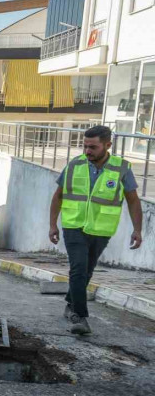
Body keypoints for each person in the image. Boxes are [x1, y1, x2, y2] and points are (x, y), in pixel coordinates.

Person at [49, 125, 143, 335]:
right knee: (79, 268)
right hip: (73, 225)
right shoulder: (75, 165)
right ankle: (79, 316)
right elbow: (58, 196)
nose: (87, 151)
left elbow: (133, 200)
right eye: (85, 146)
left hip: (101, 229)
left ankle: (70, 303)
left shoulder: (122, 168)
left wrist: (137, 229)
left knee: (87, 270)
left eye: (93, 147)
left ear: (107, 145)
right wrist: (53, 224)